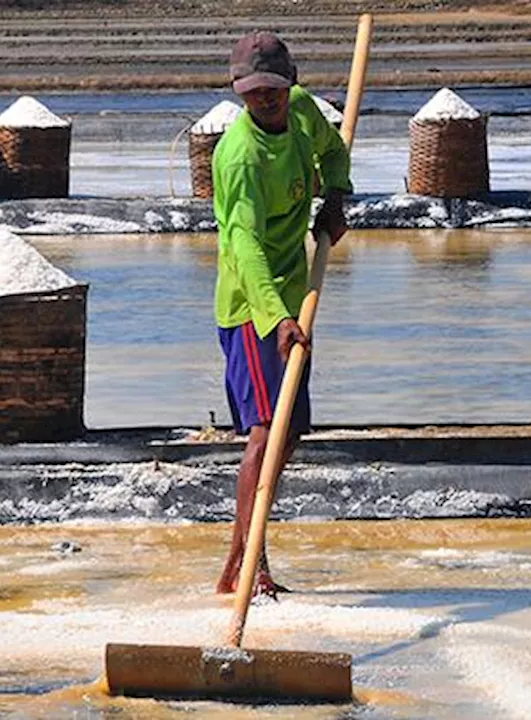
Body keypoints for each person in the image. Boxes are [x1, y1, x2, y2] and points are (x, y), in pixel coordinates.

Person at [210, 31, 351, 598]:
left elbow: (334, 151)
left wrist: (336, 197)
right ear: (239, 91)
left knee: (290, 431)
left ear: (289, 82)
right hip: (252, 307)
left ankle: (240, 557)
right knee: (266, 431)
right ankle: (247, 566)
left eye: (271, 88)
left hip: (294, 294)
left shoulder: (300, 111)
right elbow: (242, 246)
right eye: (252, 92)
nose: (263, 100)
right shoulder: (239, 157)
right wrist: (275, 319)